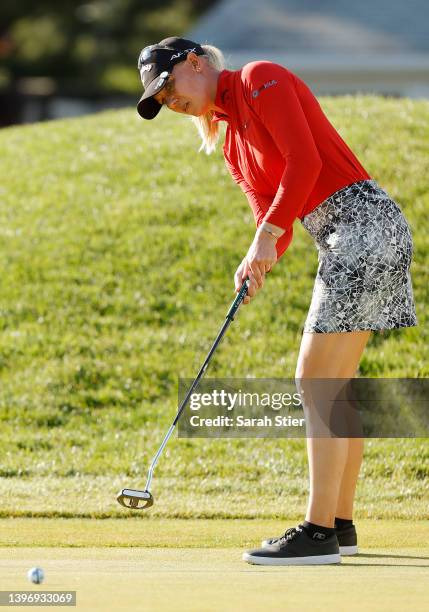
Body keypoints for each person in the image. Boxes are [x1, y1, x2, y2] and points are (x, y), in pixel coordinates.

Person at [136, 36, 418, 565]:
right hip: (347, 234)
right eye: (162, 100)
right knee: (335, 385)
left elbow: (304, 162)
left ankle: (317, 533)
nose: (171, 102)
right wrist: (258, 256)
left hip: (365, 224)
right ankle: (340, 523)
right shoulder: (230, 142)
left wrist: (268, 232)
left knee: (314, 380)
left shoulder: (259, 79)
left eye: (169, 87)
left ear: (194, 63)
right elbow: (274, 221)